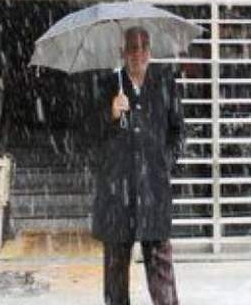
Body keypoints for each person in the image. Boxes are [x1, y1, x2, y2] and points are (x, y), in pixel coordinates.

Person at [88, 26, 185, 305]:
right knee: (116, 270)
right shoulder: (109, 86)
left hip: (153, 190)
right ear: (123, 52)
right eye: (132, 47)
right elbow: (89, 134)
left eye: (143, 47)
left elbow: (178, 131)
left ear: (150, 51)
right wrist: (110, 113)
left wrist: (165, 164)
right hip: (117, 194)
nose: (138, 53)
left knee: (161, 267)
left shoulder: (164, 83)